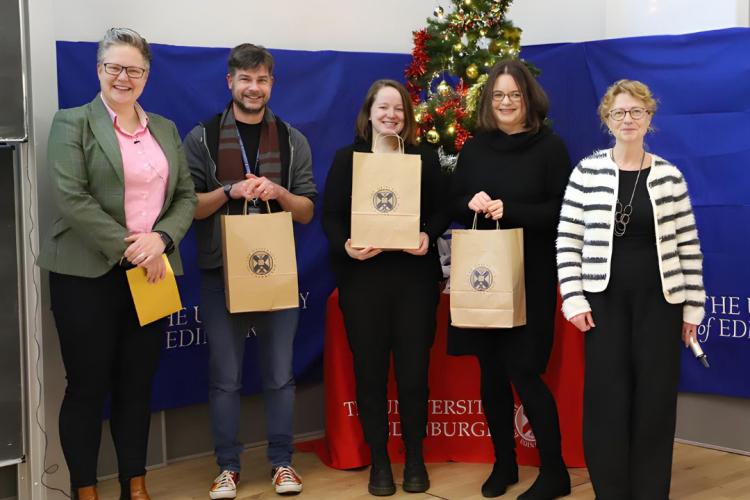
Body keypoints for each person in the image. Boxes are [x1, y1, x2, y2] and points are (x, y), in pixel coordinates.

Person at [38, 28, 197, 500]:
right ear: (99, 71)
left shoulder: (164, 129)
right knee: (87, 387)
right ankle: (85, 491)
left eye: (134, 69)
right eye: (114, 67)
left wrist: (162, 239)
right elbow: (71, 198)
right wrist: (134, 247)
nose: (123, 77)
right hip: (86, 276)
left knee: (137, 385)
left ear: (146, 76)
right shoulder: (72, 123)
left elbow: (185, 195)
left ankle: (137, 485)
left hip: (152, 272)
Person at [557, 79, 706, 499]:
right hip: (603, 303)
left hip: (661, 303)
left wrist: (692, 310)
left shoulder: (669, 177)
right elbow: (568, 239)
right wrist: (573, 296)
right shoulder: (586, 173)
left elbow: (688, 247)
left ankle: (650, 491)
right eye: (620, 112)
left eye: (636, 112)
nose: (628, 120)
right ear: (607, 119)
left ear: (649, 119)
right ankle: (612, 491)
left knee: (656, 400)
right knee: (607, 399)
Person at [183, 43, 316, 498]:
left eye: (261, 80)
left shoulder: (293, 139)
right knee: (225, 378)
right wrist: (230, 189)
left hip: (276, 272)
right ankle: (227, 467)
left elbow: (305, 212)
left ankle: (282, 463)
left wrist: (277, 191)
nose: (253, 88)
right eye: (245, 79)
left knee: (280, 374)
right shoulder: (201, 137)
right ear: (230, 83)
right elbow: (191, 209)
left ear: (271, 84)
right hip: (222, 273)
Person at [447, 60, 572, 500]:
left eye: (513, 95)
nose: (505, 103)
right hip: (484, 278)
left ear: (528, 99)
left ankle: (555, 473)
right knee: (491, 373)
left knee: (524, 370)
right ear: (489, 101)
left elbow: (562, 212)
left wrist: (510, 210)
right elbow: (454, 202)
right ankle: (505, 464)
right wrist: (472, 201)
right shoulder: (476, 148)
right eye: (498, 95)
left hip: (531, 277)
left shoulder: (550, 147)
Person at [322, 79, 449, 496]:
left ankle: (414, 457)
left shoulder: (423, 158)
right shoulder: (348, 159)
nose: (391, 115)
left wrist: (429, 234)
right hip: (364, 282)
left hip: (414, 281)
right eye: (384, 108)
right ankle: (379, 461)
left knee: (413, 375)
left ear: (406, 117)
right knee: (370, 374)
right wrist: (346, 246)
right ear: (369, 113)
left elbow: (442, 207)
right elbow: (332, 215)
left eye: (399, 109)